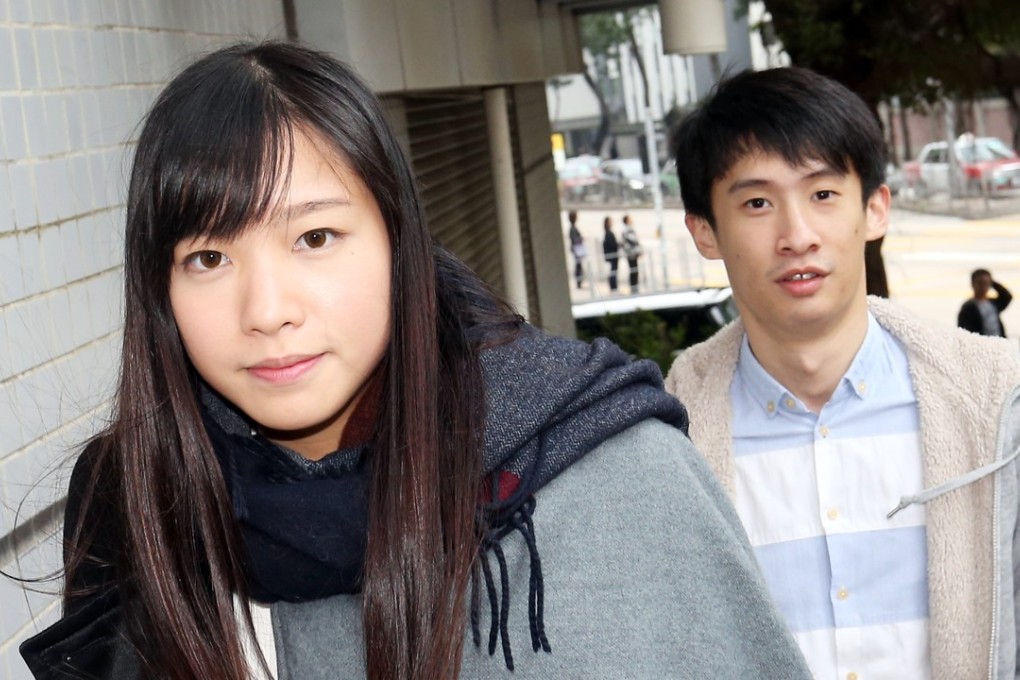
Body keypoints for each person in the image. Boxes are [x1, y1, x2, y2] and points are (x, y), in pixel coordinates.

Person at [19, 42, 811, 680]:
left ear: (401, 245)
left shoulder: (609, 472)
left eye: (315, 239)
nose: (266, 311)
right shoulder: (139, 507)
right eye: (208, 259)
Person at [665, 66, 1020, 680]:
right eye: (756, 203)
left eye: (823, 194)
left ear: (875, 209)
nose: (796, 236)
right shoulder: (668, 442)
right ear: (704, 231)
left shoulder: (999, 408)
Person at [958, 268, 1011, 337]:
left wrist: (993, 283)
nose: (983, 287)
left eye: (986, 283)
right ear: (973, 284)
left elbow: (1007, 296)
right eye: (980, 283)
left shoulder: (993, 303)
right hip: (982, 345)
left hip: (999, 343)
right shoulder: (968, 307)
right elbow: (963, 332)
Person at [621, 214, 642, 293]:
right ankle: (634, 288)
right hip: (631, 254)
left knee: (634, 270)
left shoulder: (626, 230)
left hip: (631, 254)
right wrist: (638, 250)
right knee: (634, 270)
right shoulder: (628, 230)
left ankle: (634, 287)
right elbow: (633, 241)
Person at [566, 210, 586, 289]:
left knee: (579, 265)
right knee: (578, 265)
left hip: (576, 249)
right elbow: (575, 239)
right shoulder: (572, 228)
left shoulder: (573, 228)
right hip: (577, 249)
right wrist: (580, 239)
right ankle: (579, 282)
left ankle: (579, 281)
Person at [602, 216, 619, 292]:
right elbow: (612, 244)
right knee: (613, 271)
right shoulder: (608, 234)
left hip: (612, 255)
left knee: (613, 271)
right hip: (612, 256)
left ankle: (614, 286)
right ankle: (613, 286)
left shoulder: (608, 233)